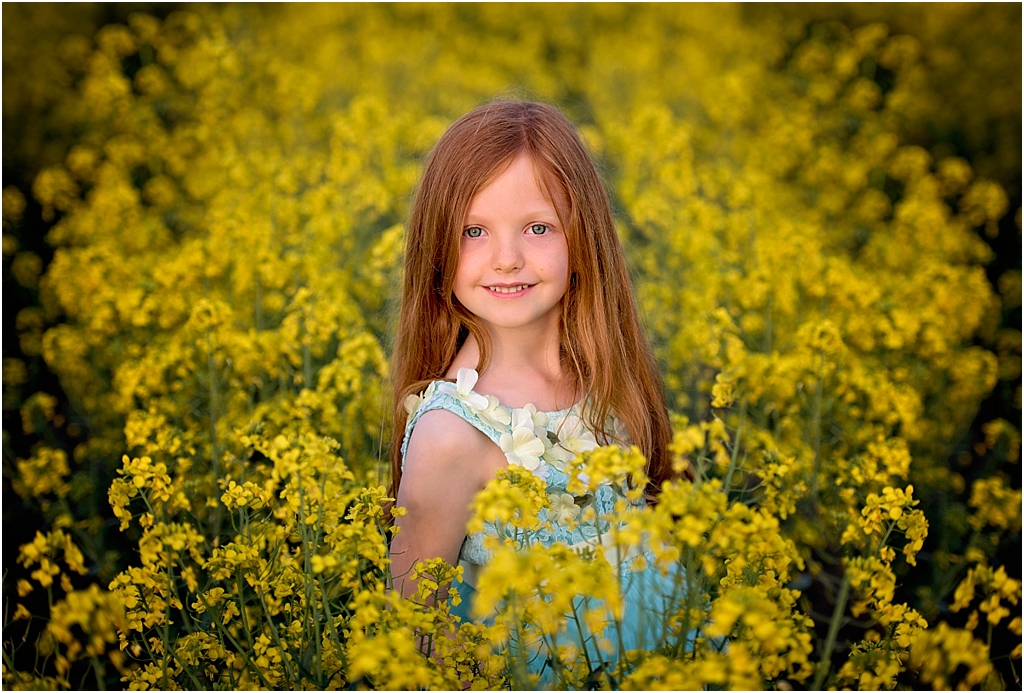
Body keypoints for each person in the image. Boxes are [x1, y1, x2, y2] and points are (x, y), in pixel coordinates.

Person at [388, 100, 679, 673]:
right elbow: (412, 643)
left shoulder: (607, 378)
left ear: (584, 238)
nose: (507, 258)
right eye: (473, 230)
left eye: (538, 227)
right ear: (436, 249)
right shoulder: (451, 434)